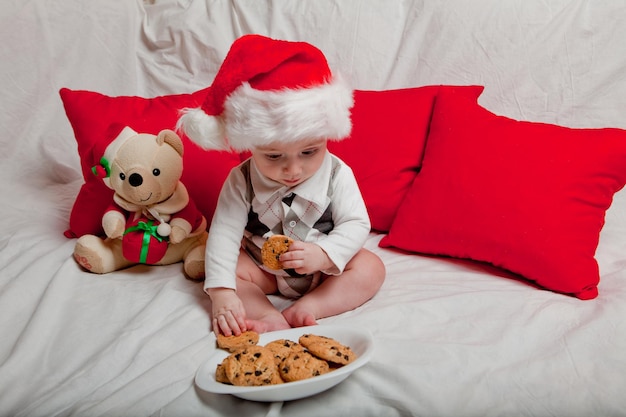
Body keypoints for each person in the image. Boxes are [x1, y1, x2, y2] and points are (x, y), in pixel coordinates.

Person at [178, 34, 385, 336]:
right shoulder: (241, 179)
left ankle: (312, 306)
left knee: (371, 268)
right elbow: (223, 235)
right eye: (274, 156)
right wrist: (222, 292)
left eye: (309, 152)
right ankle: (266, 315)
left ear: (326, 136)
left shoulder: (337, 174)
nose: (293, 169)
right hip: (265, 272)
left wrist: (325, 254)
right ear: (250, 146)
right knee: (230, 270)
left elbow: (355, 223)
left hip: (323, 271)